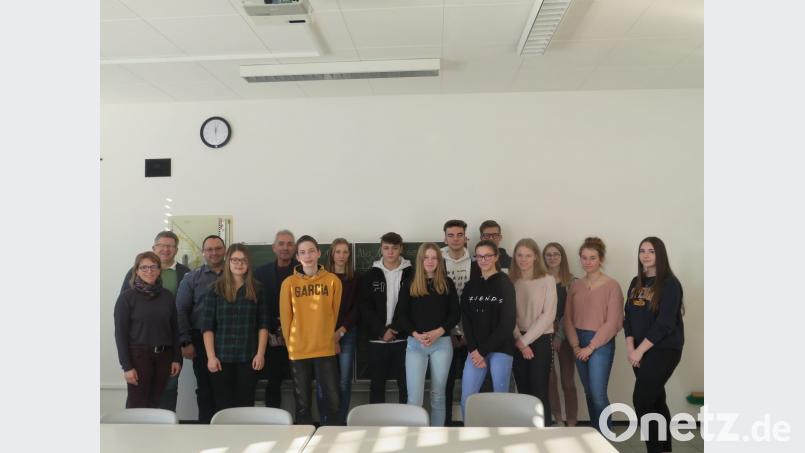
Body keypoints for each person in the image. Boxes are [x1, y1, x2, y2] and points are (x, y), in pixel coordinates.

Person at [625, 237, 685, 453]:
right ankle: (665, 449)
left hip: (664, 350)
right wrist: (631, 349)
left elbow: (665, 324)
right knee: (656, 401)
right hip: (639, 352)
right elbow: (628, 318)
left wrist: (639, 351)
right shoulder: (636, 282)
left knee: (642, 401)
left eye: (651, 250)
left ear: (660, 254)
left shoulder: (669, 283)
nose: (646, 255)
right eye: (642, 250)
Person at [120, 230, 190, 412]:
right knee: (138, 404)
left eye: (170, 246)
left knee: (165, 399)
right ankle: (135, 440)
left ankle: (164, 438)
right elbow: (121, 330)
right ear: (137, 270)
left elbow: (177, 324)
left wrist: (178, 355)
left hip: (166, 353)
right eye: (144, 267)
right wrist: (126, 365)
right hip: (139, 354)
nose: (149, 271)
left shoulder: (170, 291)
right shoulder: (128, 296)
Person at [394, 243, 460, 426]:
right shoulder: (410, 283)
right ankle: (413, 438)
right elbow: (402, 315)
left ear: (439, 261)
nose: (430, 261)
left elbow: (455, 314)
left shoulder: (447, 284)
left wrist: (438, 332)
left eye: (434, 258)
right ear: (420, 259)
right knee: (414, 397)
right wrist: (416, 334)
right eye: (426, 257)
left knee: (438, 395)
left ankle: (437, 436)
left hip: (442, 344)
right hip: (416, 345)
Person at [279, 235, 343, 425]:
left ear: (318, 253)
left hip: (325, 347)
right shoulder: (288, 284)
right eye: (302, 252)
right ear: (297, 257)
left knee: (333, 400)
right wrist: (290, 345)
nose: (307, 256)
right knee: (302, 403)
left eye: (311, 251)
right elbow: (285, 318)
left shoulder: (332, 281)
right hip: (299, 349)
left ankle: (332, 440)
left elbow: (334, 313)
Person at [564, 237, 624, 433]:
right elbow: (568, 318)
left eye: (592, 258)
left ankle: (606, 437)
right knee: (589, 393)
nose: (587, 262)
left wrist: (591, 347)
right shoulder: (576, 285)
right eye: (584, 258)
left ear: (601, 259)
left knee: (598, 394)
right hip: (578, 342)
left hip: (601, 343)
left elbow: (614, 322)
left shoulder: (612, 286)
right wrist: (575, 346)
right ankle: (595, 434)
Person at [202, 244, 269, 411]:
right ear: (228, 262)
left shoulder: (258, 289)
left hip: (248, 357)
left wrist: (260, 354)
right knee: (222, 405)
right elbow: (207, 327)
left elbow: (263, 325)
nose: (239, 264)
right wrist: (211, 357)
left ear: (248, 263)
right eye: (235, 260)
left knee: (245, 404)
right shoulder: (214, 289)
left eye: (243, 260)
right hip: (220, 358)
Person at [459, 240, 516, 417]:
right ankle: (468, 437)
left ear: (496, 257)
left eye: (487, 256)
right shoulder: (470, 286)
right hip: (475, 351)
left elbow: (507, 323)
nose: (483, 260)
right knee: (467, 398)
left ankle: (499, 440)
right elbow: (466, 320)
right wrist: (474, 350)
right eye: (479, 256)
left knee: (500, 399)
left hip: (500, 349)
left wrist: (483, 351)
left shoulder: (505, 283)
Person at [175, 234, 225, 423]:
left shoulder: (236, 274)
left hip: (230, 339)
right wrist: (185, 341)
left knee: (226, 387)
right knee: (205, 387)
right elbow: (181, 309)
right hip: (200, 340)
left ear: (225, 250)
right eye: (209, 249)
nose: (214, 253)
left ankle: (227, 429)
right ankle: (205, 428)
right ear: (203, 252)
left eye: (218, 248)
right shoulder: (192, 278)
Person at [360, 232, 413, 404]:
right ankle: (376, 426)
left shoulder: (412, 274)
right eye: (386, 248)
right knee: (376, 385)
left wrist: (395, 328)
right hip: (377, 340)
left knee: (405, 385)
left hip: (404, 339)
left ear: (401, 249)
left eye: (395, 248)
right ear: (381, 249)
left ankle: (408, 423)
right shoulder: (370, 275)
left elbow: (413, 306)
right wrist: (382, 331)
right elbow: (365, 307)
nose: (390, 252)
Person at [510, 238, 557, 426]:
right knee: (523, 390)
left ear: (536, 257)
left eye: (528, 255)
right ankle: (526, 432)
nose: (523, 259)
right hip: (516, 338)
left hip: (541, 339)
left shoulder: (547, 280)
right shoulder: (510, 279)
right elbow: (507, 314)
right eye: (520, 255)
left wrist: (525, 341)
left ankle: (542, 433)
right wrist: (519, 340)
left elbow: (548, 315)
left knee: (539, 390)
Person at [316, 238, 361, 425]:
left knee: (343, 381)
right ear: (331, 254)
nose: (341, 256)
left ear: (349, 255)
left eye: (345, 252)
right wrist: (330, 333)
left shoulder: (356, 278)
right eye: (338, 251)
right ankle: (325, 422)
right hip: (323, 334)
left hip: (347, 333)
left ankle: (340, 423)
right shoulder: (321, 278)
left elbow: (357, 309)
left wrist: (341, 331)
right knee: (323, 382)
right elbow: (318, 308)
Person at [253, 230, 297, 409]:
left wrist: (289, 330)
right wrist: (276, 328)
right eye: (281, 243)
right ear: (274, 247)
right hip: (271, 337)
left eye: (289, 244)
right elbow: (257, 305)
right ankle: (273, 420)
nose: (285, 248)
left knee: (300, 383)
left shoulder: (303, 272)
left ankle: (302, 422)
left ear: (294, 248)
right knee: (272, 382)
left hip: (298, 337)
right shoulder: (260, 273)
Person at [440, 219, 474, 425]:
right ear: (445, 237)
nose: (455, 239)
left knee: (472, 384)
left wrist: (467, 332)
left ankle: (472, 424)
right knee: (445, 383)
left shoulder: (476, 261)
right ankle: (444, 424)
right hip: (445, 333)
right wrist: (450, 331)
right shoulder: (437, 260)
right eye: (451, 235)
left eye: (459, 234)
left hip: (472, 332)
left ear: (465, 237)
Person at [543, 242, 578, 427]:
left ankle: (572, 422)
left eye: (556, 254)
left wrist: (559, 336)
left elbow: (571, 313)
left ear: (562, 257)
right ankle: (557, 419)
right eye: (548, 254)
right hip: (545, 332)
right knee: (550, 380)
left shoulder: (572, 281)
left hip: (565, 334)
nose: (552, 258)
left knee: (567, 382)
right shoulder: (540, 279)